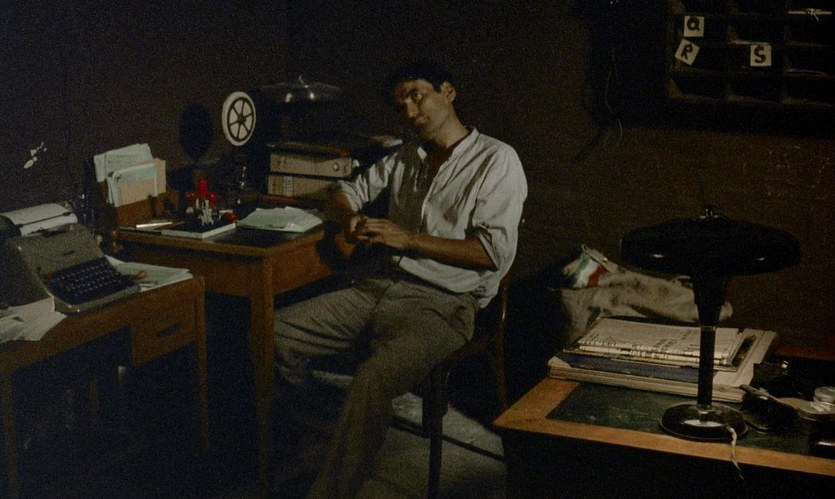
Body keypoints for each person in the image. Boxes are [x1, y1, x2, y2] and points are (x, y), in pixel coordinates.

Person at [273, 59, 527, 498]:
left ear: (448, 92)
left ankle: (331, 490)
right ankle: (321, 433)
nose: (409, 112)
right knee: (276, 333)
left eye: (417, 96)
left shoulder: (496, 160)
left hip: (445, 303)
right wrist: (350, 219)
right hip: (379, 286)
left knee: (371, 382)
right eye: (401, 105)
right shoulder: (408, 154)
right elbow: (343, 191)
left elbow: (491, 252)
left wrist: (406, 238)